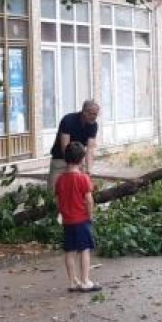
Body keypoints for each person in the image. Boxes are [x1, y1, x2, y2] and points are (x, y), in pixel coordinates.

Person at [55, 141, 100, 293]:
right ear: (82, 160)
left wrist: (62, 213)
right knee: (84, 250)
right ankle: (86, 281)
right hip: (81, 220)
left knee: (69, 251)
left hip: (67, 221)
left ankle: (72, 282)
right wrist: (90, 215)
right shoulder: (83, 179)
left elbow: (58, 201)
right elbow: (89, 200)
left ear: (66, 159)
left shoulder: (60, 179)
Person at [48, 100, 100, 190]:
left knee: (80, 190)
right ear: (84, 112)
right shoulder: (68, 120)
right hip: (60, 159)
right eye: (93, 114)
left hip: (78, 159)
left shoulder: (93, 125)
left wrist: (88, 170)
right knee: (54, 190)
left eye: (96, 114)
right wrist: (72, 167)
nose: (95, 117)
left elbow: (90, 149)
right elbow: (65, 147)